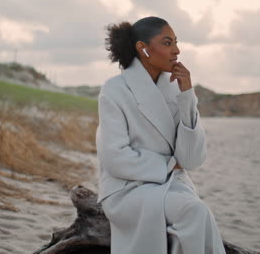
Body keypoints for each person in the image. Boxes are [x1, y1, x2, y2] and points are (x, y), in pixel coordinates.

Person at [95, 16, 226, 254]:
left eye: (176, 42)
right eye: (167, 43)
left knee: (198, 213)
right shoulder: (114, 90)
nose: (177, 50)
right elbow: (114, 158)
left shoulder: (176, 89)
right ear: (143, 48)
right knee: (192, 211)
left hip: (169, 185)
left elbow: (191, 160)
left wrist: (187, 96)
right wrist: (167, 164)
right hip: (127, 189)